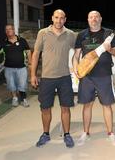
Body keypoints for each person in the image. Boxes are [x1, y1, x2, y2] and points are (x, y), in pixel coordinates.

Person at [72, 10, 115, 146]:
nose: (94, 19)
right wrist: (76, 68)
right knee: (87, 105)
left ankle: (110, 133)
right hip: (87, 76)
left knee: (107, 105)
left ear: (100, 18)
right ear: (88, 20)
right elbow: (76, 56)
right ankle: (85, 133)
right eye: (91, 17)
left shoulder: (109, 34)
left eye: (96, 17)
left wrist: (109, 49)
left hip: (104, 75)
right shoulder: (82, 35)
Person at [31, 9, 76, 148]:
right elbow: (36, 53)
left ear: (65, 19)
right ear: (52, 18)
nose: (59, 20)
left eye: (62, 18)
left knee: (65, 108)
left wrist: (76, 68)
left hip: (64, 78)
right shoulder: (43, 33)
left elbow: (77, 52)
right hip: (47, 78)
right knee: (45, 108)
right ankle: (45, 134)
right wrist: (33, 74)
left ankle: (67, 135)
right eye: (56, 17)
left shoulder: (71, 35)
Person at [0, 24, 31, 107]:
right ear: (5, 32)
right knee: (11, 85)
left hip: (21, 68)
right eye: (6, 30)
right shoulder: (4, 43)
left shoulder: (22, 40)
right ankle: (15, 98)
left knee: (22, 84)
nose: (8, 31)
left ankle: (23, 99)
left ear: (14, 30)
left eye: (10, 29)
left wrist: (30, 62)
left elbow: (28, 51)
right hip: (9, 69)